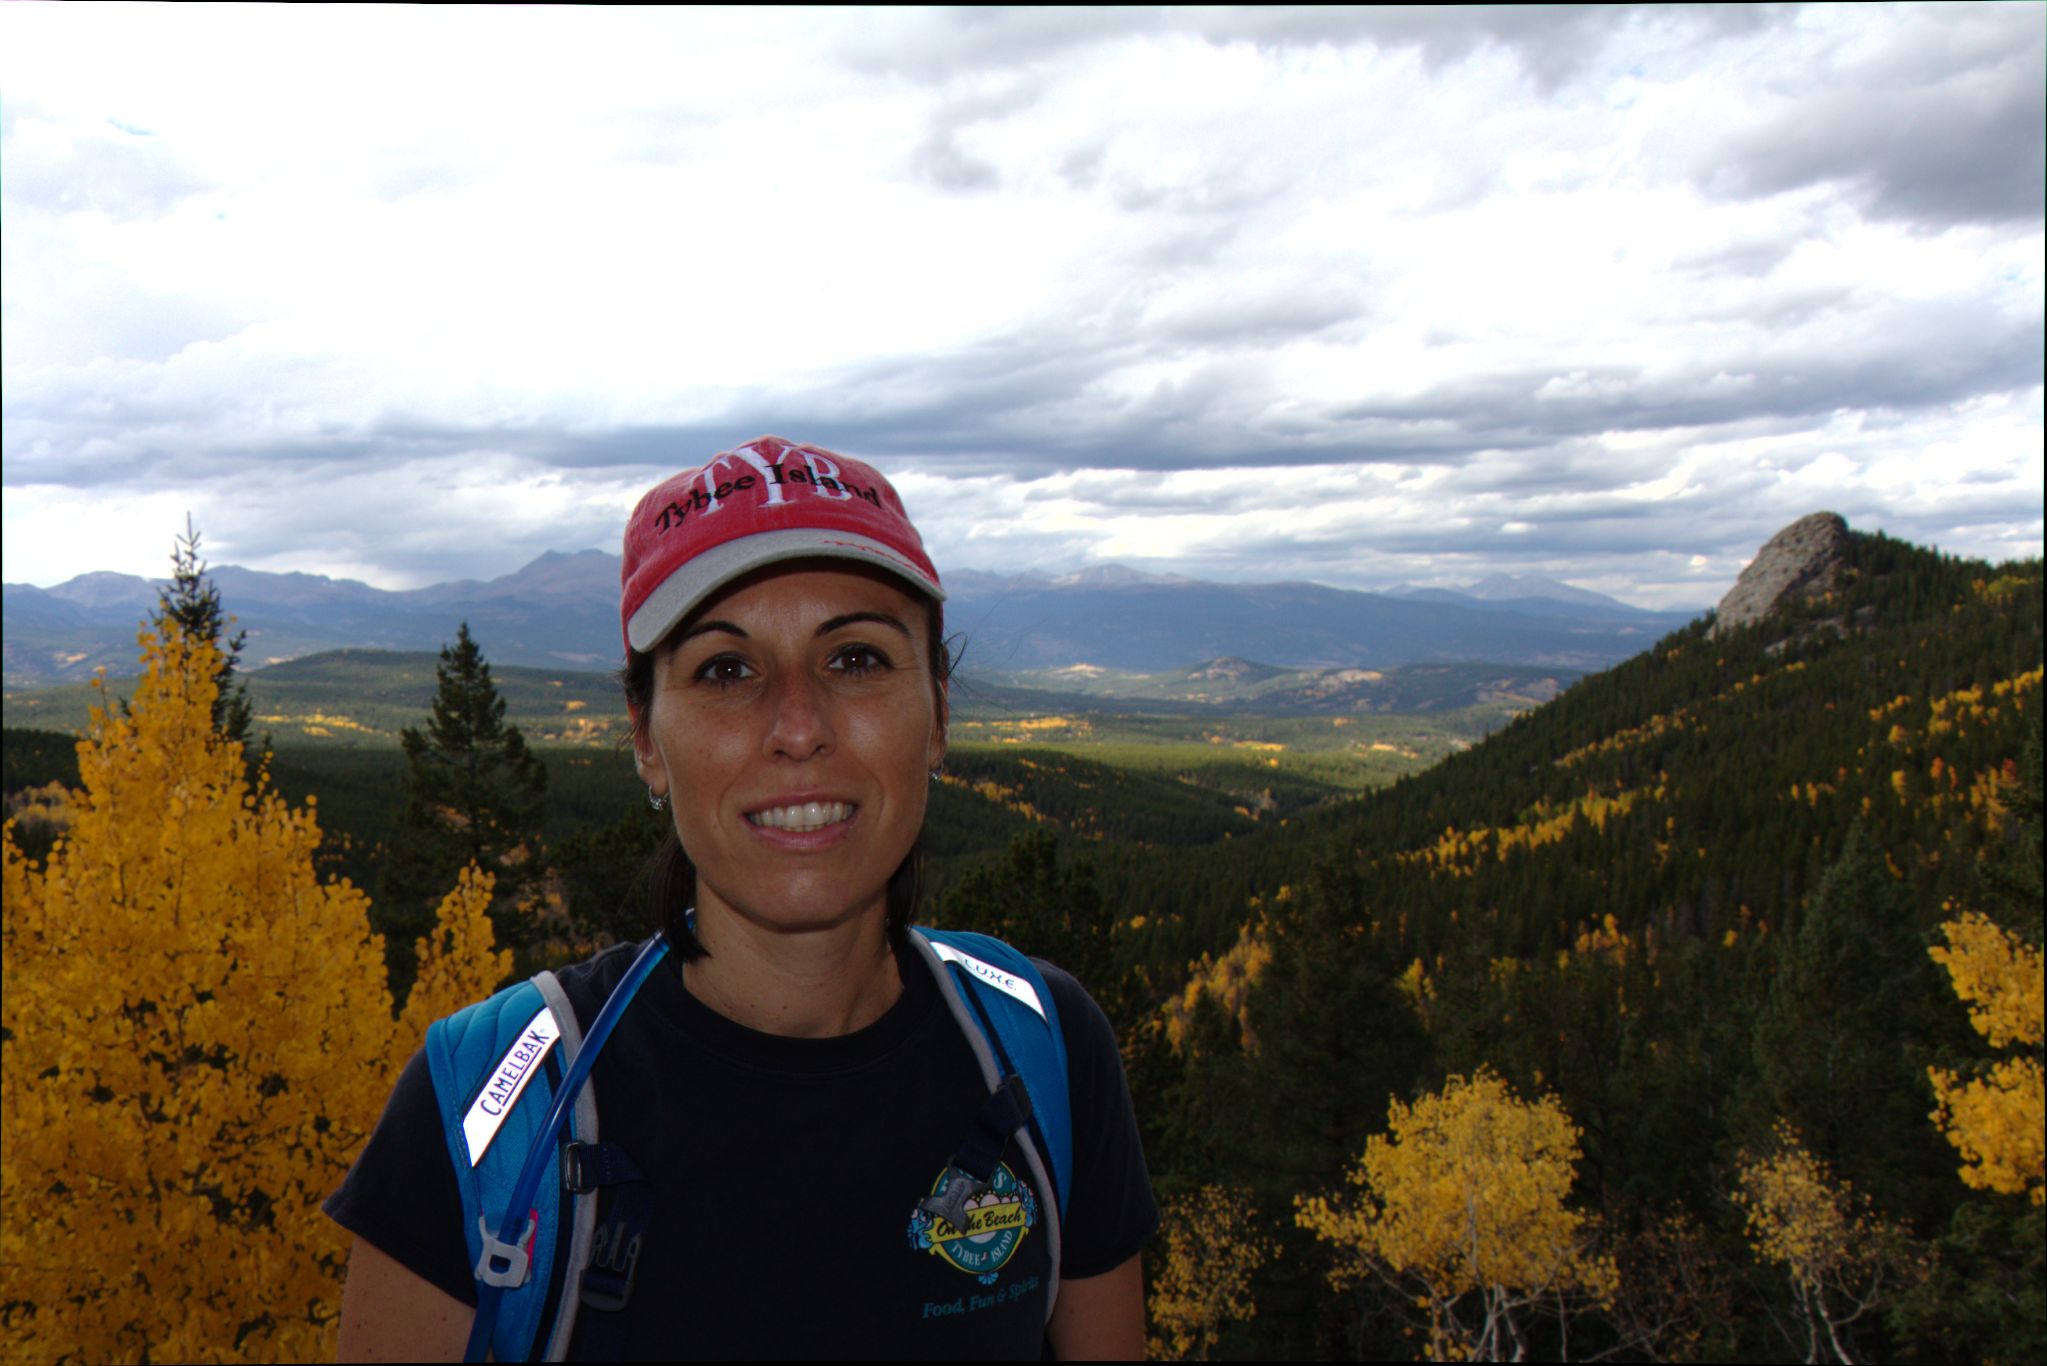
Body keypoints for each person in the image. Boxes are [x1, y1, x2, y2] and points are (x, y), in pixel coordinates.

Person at [326, 436, 1157, 1360]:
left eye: (856, 660)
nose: (798, 727)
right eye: (726, 670)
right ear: (645, 737)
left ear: (938, 714)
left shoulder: (1042, 1049)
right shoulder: (493, 1107)